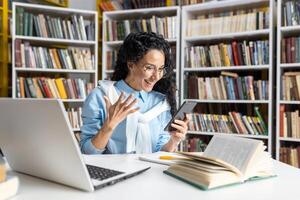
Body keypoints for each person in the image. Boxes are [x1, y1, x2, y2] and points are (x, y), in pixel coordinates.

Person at [80, 32, 188, 154]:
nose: (156, 76)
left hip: (150, 171)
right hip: (113, 171)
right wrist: (108, 127)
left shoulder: (160, 102)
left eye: (160, 69)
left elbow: (159, 152)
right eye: (149, 68)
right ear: (131, 65)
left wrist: (174, 140)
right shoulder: (101, 96)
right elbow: (87, 152)